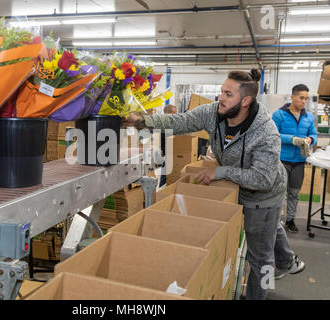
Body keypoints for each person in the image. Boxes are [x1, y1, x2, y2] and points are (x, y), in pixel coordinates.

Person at [124, 69, 305, 300]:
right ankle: (287, 259)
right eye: (221, 91)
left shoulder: (265, 132)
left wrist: (220, 171)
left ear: (246, 101)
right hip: (237, 185)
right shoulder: (213, 112)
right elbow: (180, 121)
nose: (221, 97)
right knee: (269, 229)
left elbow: (263, 179)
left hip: (264, 196)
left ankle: (263, 290)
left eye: (228, 94)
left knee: (261, 258)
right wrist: (143, 121)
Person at [272, 85, 318, 233]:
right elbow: (273, 135)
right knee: (279, 192)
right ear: (292, 97)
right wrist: (292, 139)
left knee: (294, 193)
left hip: (299, 162)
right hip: (282, 160)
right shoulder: (279, 115)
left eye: (306, 98)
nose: (304, 101)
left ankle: (290, 220)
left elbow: (314, 135)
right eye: (301, 98)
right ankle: (275, 220)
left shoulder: (308, 117)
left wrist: (310, 139)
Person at [159, 104, 178, 187]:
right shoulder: (165, 123)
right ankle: (159, 189)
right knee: (164, 174)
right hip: (166, 153)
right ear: (169, 112)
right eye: (174, 113)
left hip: (166, 152)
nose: (175, 115)